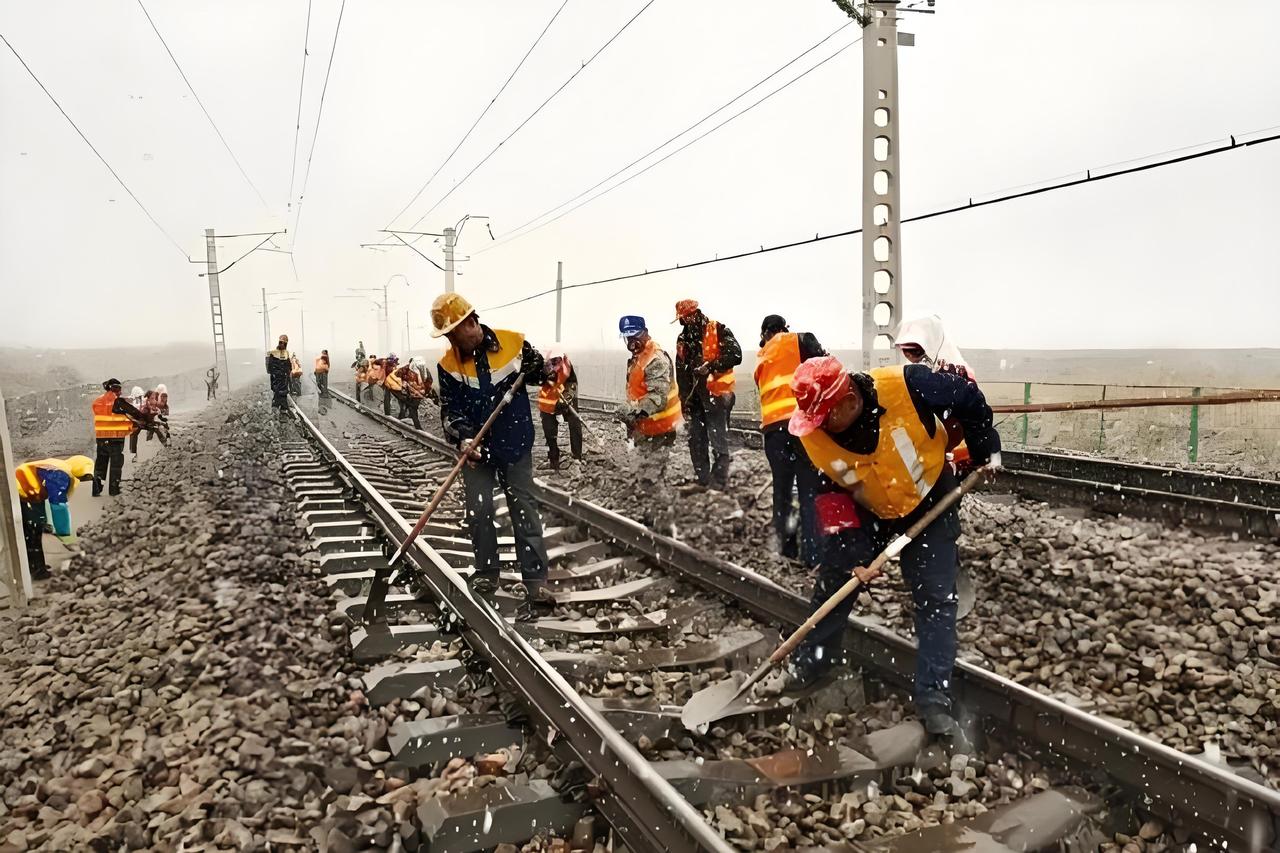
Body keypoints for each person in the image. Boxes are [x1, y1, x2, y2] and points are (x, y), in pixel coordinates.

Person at [783, 355, 1002, 742]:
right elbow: (830, 496)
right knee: (835, 583)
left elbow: (968, 397)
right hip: (868, 508)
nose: (820, 427)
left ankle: (934, 697)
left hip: (931, 497)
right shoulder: (812, 436)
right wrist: (853, 559)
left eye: (825, 417)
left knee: (936, 597)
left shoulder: (909, 385)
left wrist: (986, 452)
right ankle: (812, 663)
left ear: (849, 400)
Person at [431, 292, 554, 616]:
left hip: (514, 442)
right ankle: (486, 573)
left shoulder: (514, 344)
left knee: (524, 510)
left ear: (469, 323)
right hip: (477, 448)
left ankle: (536, 580)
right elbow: (450, 410)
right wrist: (463, 439)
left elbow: (545, 375)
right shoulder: (448, 364)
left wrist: (538, 365)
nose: (450, 342)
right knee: (479, 511)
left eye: (451, 334)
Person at [754, 314, 827, 567]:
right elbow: (825, 367)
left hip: (774, 433)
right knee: (809, 490)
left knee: (782, 492)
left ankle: (786, 551)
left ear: (765, 334)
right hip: (802, 428)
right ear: (785, 328)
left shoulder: (761, 358)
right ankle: (812, 555)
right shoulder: (801, 340)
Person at [895, 315, 980, 476]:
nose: (909, 355)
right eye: (906, 350)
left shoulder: (954, 371)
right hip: (925, 449)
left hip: (948, 448)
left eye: (913, 350)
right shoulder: (914, 371)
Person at [673, 299, 742, 490]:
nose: (686, 321)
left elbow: (736, 355)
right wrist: (683, 399)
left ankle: (719, 482)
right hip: (694, 399)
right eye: (683, 318)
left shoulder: (717, 329)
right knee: (696, 439)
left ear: (696, 313)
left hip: (717, 395)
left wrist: (710, 366)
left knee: (718, 439)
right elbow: (681, 370)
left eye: (688, 316)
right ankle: (703, 479)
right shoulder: (683, 339)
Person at [13, 455, 95, 580]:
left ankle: (35, 566)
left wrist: (46, 522)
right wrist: (65, 535)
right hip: (22, 490)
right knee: (33, 532)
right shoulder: (60, 475)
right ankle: (37, 570)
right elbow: (58, 506)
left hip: (29, 490)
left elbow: (45, 492)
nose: (82, 479)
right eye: (83, 476)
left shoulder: (60, 466)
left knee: (36, 526)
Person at [91, 379, 145, 496]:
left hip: (101, 438)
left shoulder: (97, 402)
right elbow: (130, 417)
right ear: (114, 389)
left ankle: (96, 490)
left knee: (100, 464)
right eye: (119, 389)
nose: (120, 392)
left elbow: (104, 416)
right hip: (115, 438)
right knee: (115, 465)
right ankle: (114, 491)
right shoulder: (119, 403)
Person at [537, 348, 584, 470]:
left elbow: (572, 381)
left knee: (575, 424)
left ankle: (577, 458)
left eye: (558, 359)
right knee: (549, 430)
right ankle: (553, 460)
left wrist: (568, 396)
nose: (557, 362)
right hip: (548, 400)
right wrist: (544, 375)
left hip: (565, 397)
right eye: (554, 360)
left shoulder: (567, 364)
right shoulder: (541, 365)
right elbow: (535, 379)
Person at [392, 359, 429, 429]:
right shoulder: (419, 371)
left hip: (414, 394)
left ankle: (417, 427)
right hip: (412, 393)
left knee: (411, 408)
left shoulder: (413, 372)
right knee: (408, 407)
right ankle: (407, 421)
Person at [266, 335, 292, 415]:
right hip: (276, 376)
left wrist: (288, 373)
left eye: (284, 343)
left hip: (283, 377)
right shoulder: (272, 353)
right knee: (277, 391)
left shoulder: (286, 353)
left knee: (283, 392)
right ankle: (277, 408)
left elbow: (288, 365)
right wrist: (273, 373)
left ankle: (282, 409)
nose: (282, 344)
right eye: (281, 342)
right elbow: (268, 366)